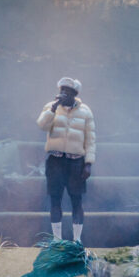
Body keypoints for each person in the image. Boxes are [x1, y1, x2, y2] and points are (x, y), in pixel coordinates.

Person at [36, 78, 95, 243]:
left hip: (76, 162)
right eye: (61, 89)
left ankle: (77, 240)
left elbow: (91, 140)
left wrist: (88, 163)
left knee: (76, 200)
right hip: (55, 161)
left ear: (75, 94)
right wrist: (53, 109)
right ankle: (57, 240)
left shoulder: (85, 111)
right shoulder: (51, 107)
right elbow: (41, 125)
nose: (62, 93)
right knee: (55, 199)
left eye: (67, 91)